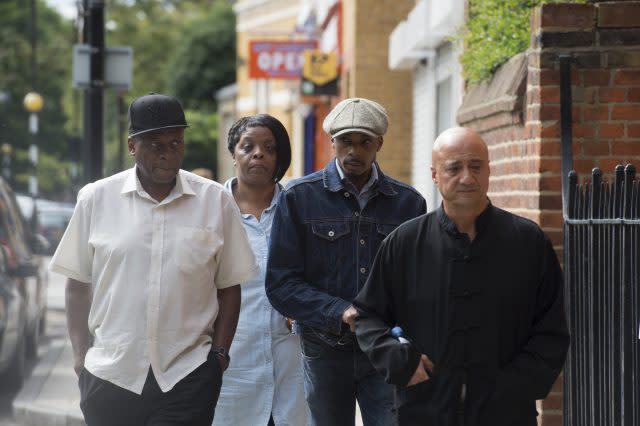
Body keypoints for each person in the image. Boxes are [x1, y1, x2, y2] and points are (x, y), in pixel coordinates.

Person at [50, 93, 258, 426]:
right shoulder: (96, 198)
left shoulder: (214, 200)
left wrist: (218, 357)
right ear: (133, 146)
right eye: (155, 144)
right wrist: (80, 359)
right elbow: (77, 282)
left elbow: (229, 287)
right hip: (110, 375)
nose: (167, 153)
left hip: (187, 375)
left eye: (176, 143)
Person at [353, 127, 570, 426]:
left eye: (476, 166)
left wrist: (516, 385)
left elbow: (552, 328)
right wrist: (400, 361)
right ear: (434, 175)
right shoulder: (404, 242)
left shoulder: (528, 241)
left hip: (506, 414)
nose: (467, 177)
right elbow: (367, 316)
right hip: (424, 410)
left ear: (489, 171)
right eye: (454, 168)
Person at [266, 98, 427, 426]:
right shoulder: (298, 197)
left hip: (385, 345)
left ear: (379, 143)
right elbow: (281, 283)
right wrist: (339, 310)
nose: (354, 151)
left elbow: (418, 282)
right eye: (346, 142)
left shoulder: (409, 203)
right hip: (324, 347)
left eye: (365, 142)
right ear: (332, 142)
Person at [214, 114, 309, 426]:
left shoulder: (302, 211)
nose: (258, 154)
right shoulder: (210, 211)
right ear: (233, 154)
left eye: (269, 147)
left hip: (293, 363)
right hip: (232, 363)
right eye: (248, 146)